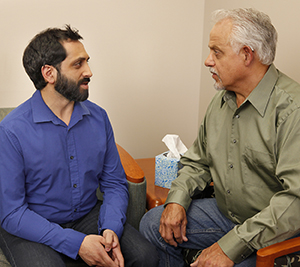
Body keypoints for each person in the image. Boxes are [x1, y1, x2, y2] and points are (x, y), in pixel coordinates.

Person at [140, 7, 300, 267]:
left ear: (247, 55)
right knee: (151, 224)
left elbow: (295, 202)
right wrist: (177, 201)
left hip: (272, 231)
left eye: (216, 52)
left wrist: (230, 246)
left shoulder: (292, 111)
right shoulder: (220, 101)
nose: (207, 60)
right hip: (226, 214)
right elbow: (197, 162)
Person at [0, 25, 158, 267]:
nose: (89, 72)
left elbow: (114, 183)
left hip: (87, 215)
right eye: (78, 64)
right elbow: (12, 213)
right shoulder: (11, 130)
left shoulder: (99, 117)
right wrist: (77, 243)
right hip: (31, 223)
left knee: (145, 256)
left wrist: (110, 228)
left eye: (87, 62)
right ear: (49, 73)